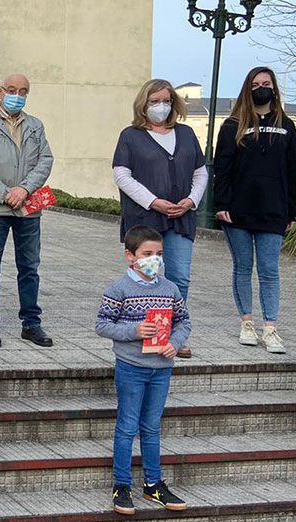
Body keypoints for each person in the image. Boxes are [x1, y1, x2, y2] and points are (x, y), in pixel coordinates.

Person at [95, 225, 191, 516]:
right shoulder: (118, 289)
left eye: (159, 254)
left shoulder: (170, 288)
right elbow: (102, 325)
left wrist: (175, 343)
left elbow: (183, 321)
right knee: (127, 426)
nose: (155, 260)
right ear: (130, 256)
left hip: (161, 368)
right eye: (148, 254)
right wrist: (134, 330)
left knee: (151, 426)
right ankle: (121, 485)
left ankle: (153, 483)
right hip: (131, 367)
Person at [112, 78, 207, 359]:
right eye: (154, 102)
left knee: (179, 278)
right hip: (145, 219)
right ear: (144, 104)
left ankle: (174, 337)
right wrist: (153, 202)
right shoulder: (131, 136)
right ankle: (146, 332)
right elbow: (122, 175)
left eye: (166, 101)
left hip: (180, 218)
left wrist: (191, 200)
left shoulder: (187, 134)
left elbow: (200, 172)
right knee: (145, 277)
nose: (161, 107)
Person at [214, 67, 296, 354]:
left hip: (273, 210)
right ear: (247, 88)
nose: (261, 88)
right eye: (255, 84)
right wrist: (221, 204)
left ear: (274, 88)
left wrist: (293, 210)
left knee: (269, 271)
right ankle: (247, 324)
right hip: (238, 211)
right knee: (242, 268)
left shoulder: (286, 125)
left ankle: (271, 329)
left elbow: (294, 170)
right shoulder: (232, 125)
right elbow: (222, 168)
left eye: (266, 84)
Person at [0, 73, 55, 349]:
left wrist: (24, 189)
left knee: (29, 267)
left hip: (28, 208)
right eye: (12, 89)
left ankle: (31, 323)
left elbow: (45, 160)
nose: (18, 94)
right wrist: (5, 193)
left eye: (24, 90)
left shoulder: (35, 126)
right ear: (0, 92)